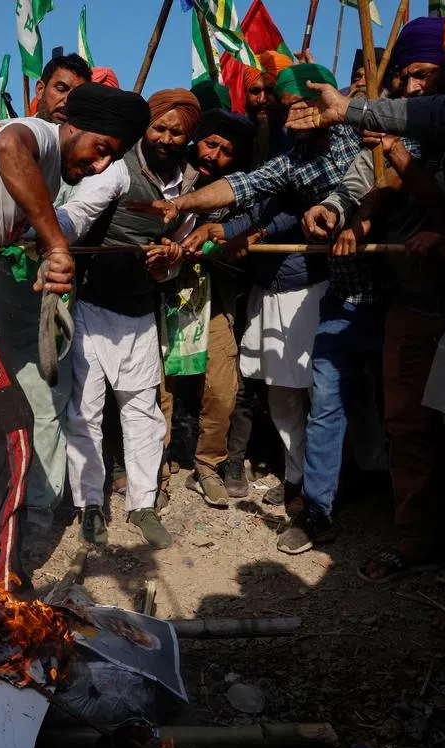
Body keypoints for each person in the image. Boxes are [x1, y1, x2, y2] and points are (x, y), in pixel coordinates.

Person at [0, 82, 150, 589]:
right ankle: (5, 579)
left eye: (114, 158)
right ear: (72, 127)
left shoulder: (54, 172)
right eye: (100, 148)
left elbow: (33, 229)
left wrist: (45, 253)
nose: (101, 165)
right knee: (13, 426)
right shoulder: (35, 135)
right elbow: (9, 146)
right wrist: (55, 244)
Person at [305, 16, 445, 580]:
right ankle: (418, 538)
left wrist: (401, 162)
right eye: (407, 76)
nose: (416, 87)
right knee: (406, 427)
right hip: (413, 302)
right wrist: (344, 208)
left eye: (428, 74)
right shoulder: (399, 131)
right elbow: (363, 180)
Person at [151, 64, 353, 522]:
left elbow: (281, 209)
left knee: (319, 395)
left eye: (298, 106)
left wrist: (236, 230)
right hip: (258, 287)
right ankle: (295, 481)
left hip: (318, 287)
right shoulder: (289, 158)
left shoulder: (360, 140)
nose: (289, 118)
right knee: (280, 393)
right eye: (285, 109)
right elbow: (246, 187)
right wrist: (184, 206)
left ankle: (314, 494)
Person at [66, 88, 201, 549]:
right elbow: (77, 214)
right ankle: (89, 505)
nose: (165, 138)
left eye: (176, 132)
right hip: (91, 308)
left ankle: (142, 504)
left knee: (142, 412)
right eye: (159, 128)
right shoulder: (117, 171)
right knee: (85, 410)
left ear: (188, 137)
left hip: (141, 314)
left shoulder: (190, 183)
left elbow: (183, 247)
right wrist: (46, 235)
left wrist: (172, 261)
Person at [0, 52, 95, 532]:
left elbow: (77, 218)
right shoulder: (8, 138)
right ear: (41, 91)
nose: (66, 101)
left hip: (47, 301)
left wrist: (43, 237)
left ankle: (44, 507)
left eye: (77, 94)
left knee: (47, 403)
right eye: (60, 89)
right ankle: (3, 500)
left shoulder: (85, 158)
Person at [167, 109, 254, 508]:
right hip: (160, 296)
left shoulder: (237, 190)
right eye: (210, 143)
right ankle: (157, 470)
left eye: (226, 150)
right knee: (159, 390)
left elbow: (241, 238)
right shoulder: (167, 175)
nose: (215, 155)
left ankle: (207, 464)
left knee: (222, 386)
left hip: (211, 296)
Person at [31, 53, 92, 123]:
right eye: (61, 89)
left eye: (77, 96)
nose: (67, 100)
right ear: (40, 90)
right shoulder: (21, 129)